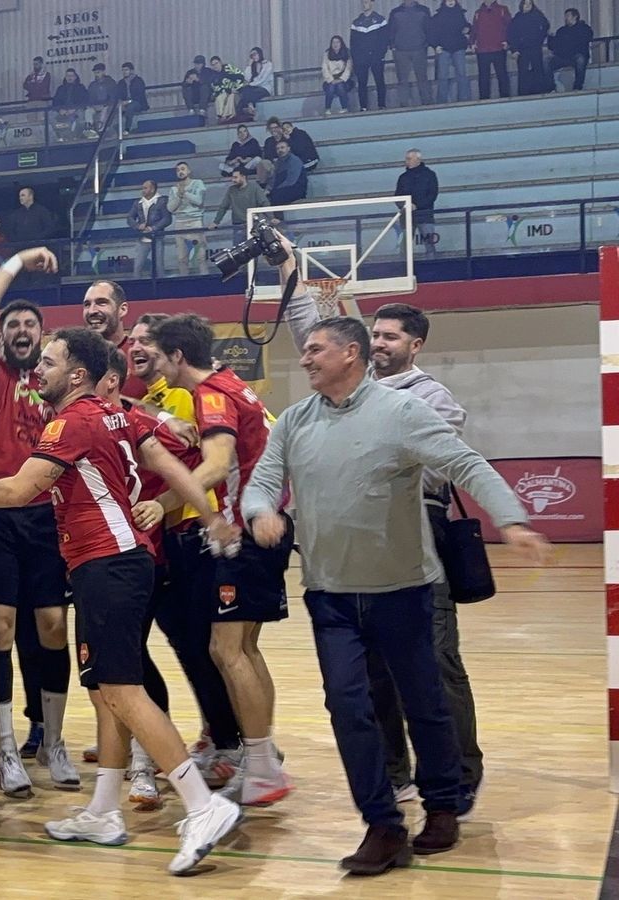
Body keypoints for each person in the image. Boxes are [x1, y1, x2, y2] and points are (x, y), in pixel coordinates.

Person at [0, 312, 245, 876]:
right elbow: (169, 463)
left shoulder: (71, 423)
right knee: (107, 692)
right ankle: (102, 811)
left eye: (48, 360)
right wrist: (212, 515)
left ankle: (201, 804)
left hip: (108, 564)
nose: (37, 368)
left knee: (123, 689)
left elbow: (21, 489)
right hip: (119, 562)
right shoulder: (120, 414)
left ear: (76, 374)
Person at [242, 314, 549, 875]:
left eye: (315, 350)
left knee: (425, 706)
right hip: (330, 596)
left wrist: (512, 519)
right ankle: (382, 825)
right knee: (348, 708)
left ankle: (443, 806)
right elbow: (263, 479)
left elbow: (465, 463)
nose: (305, 359)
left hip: (404, 590)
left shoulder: (404, 411)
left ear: (350, 355)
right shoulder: (293, 420)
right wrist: (260, 510)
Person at [282, 292, 487, 816]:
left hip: (414, 540)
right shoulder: (339, 395)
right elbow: (314, 328)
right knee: (372, 675)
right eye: (374, 335)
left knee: (436, 666)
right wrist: (287, 273)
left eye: (391, 336)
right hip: (350, 556)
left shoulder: (428, 399)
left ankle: (458, 777)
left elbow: (441, 464)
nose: (379, 343)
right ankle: (394, 775)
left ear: (415, 346)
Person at [152, 312, 293, 808]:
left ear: (177, 356)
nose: (159, 369)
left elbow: (215, 465)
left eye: (160, 356)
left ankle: (261, 768)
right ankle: (262, 764)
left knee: (228, 651)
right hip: (258, 526)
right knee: (241, 651)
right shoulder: (233, 383)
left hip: (242, 534)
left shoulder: (210, 395)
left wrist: (162, 503)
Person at [0, 248, 81, 800]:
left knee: (54, 626)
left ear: (44, 334)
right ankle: (6, 748)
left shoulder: (57, 382)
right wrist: (17, 262)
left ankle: (52, 741)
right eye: (13, 324)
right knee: (0, 628)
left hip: (45, 514)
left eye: (31, 324)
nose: (22, 330)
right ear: (2, 334)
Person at [391, 0, 435, 106]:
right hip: (401, 50)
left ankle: (427, 103)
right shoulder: (395, 12)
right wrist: (392, 45)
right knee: (402, 79)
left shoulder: (424, 10)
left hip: (419, 49)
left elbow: (429, 29)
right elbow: (391, 30)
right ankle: (403, 105)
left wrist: (429, 44)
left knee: (422, 78)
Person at [396, 149, 440, 255]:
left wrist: (416, 206)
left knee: (429, 245)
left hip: (425, 215)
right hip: (407, 216)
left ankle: (432, 267)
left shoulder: (429, 175)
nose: (406, 161)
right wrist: (405, 205)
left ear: (418, 159)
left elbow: (432, 194)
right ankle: (404, 269)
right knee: (404, 247)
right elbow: (397, 196)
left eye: (409, 159)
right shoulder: (403, 177)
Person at [167, 162, 207, 276]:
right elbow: (170, 208)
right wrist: (179, 196)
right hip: (180, 224)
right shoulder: (174, 189)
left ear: (189, 171)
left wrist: (184, 192)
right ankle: (184, 280)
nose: (180, 172)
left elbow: (199, 201)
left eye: (183, 169)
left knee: (200, 256)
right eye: (178, 170)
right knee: (181, 258)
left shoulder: (198, 183)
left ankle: (205, 279)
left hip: (195, 222)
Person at [428, 0, 472, 103]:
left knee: (462, 74)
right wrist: (435, 46)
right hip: (443, 49)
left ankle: (464, 100)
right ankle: (442, 101)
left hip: (458, 48)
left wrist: (468, 28)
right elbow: (431, 32)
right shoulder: (437, 16)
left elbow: (466, 26)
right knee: (443, 76)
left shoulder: (460, 14)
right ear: (444, 2)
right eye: (448, 0)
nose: (451, 2)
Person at [352, 0, 392, 110]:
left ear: (371, 3)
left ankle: (381, 104)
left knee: (379, 80)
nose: (364, 4)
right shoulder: (356, 23)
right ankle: (363, 106)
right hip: (361, 58)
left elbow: (384, 39)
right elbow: (353, 43)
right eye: (362, 2)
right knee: (362, 83)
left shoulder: (380, 20)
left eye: (366, 2)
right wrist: (356, 59)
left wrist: (380, 54)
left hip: (376, 56)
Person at [212, 168, 269, 244]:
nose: (233, 180)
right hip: (237, 226)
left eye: (235, 177)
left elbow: (264, 203)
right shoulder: (231, 190)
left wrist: (271, 218)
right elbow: (223, 207)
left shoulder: (254, 187)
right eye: (232, 177)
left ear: (243, 177)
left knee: (255, 250)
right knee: (238, 252)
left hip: (253, 225)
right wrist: (216, 222)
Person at [126, 180, 170, 276]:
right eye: (143, 188)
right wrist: (138, 226)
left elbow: (167, 219)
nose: (143, 190)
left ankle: (163, 288)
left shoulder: (162, 201)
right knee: (137, 267)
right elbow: (130, 218)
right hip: (142, 238)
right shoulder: (137, 203)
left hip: (157, 238)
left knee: (159, 267)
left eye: (145, 188)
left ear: (152, 189)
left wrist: (154, 228)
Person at [509, 0, 552, 95]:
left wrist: (540, 39)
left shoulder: (538, 15)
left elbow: (546, 26)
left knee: (538, 70)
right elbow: (511, 35)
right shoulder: (517, 18)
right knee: (523, 73)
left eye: (530, 4)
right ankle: (523, 95)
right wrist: (514, 49)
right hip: (522, 49)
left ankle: (540, 93)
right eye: (526, 4)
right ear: (522, 5)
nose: (528, 6)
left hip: (535, 48)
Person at [474, 0, 513, 99]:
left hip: (498, 48)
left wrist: (507, 41)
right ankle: (484, 100)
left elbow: (510, 27)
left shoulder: (502, 10)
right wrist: (472, 42)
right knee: (483, 77)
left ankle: (505, 98)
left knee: (502, 75)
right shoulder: (478, 12)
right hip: (482, 49)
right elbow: (475, 29)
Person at [549, 8, 593, 90]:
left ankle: (578, 86)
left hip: (576, 56)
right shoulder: (561, 31)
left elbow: (588, 37)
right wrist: (551, 37)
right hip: (563, 57)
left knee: (580, 59)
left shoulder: (583, 28)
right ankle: (550, 86)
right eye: (565, 16)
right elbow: (553, 46)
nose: (565, 18)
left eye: (568, 16)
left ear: (575, 16)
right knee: (546, 61)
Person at [269, 142, 307, 208]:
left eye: (282, 147)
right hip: (281, 189)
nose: (280, 150)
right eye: (277, 148)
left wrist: (275, 190)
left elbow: (291, 181)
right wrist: (268, 190)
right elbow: (273, 179)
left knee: (276, 196)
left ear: (288, 148)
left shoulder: (295, 160)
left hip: (295, 189)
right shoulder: (277, 162)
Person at [237, 47, 274, 115]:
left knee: (244, 98)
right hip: (254, 88)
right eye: (251, 55)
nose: (253, 57)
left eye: (255, 54)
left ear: (260, 53)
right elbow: (247, 78)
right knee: (244, 90)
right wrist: (249, 65)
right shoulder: (253, 66)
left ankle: (249, 107)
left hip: (265, 88)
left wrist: (251, 84)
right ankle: (250, 106)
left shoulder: (268, 64)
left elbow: (263, 79)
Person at [323, 36, 354, 113]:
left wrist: (341, 79)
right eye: (333, 42)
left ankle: (345, 107)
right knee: (331, 88)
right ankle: (327, 109)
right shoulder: (327, 54)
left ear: (341, 43)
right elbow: (324, 68)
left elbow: (348, 69)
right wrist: (331, 79)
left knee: (340, 86)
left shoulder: (347, 53)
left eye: (337, 42)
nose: (335, 44)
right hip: (331, 79)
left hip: (344, 80)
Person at [119, 62, 149, 131]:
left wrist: (128, 101)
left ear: (132, 71)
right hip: (125, 103)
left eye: (126, 70)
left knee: (130, 107)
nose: (124, 72)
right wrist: (121, 102)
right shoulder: (121, 82)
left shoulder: (138, 81)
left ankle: (127, 128)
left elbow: (140, 96)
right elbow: (118, 95)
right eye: (123, 70)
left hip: (138, 103)